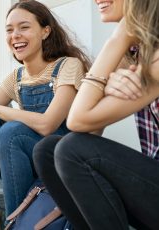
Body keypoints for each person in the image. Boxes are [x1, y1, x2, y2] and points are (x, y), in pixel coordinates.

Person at [0, 1, 91, 228]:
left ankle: (14, 224)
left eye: (24, 27)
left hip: (60, 158)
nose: (15, 35)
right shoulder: (16, 77)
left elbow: (47, 124)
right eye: (9, 30)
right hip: (25, 159)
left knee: (12, 132)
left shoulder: (67, 66)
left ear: (46, 31)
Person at [33, 0, 159, 229]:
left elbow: (77, 120)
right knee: (48, 151)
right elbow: (87, 132)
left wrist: (119, 36)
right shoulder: (135, 52)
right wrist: (106, 86)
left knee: (70, 150)